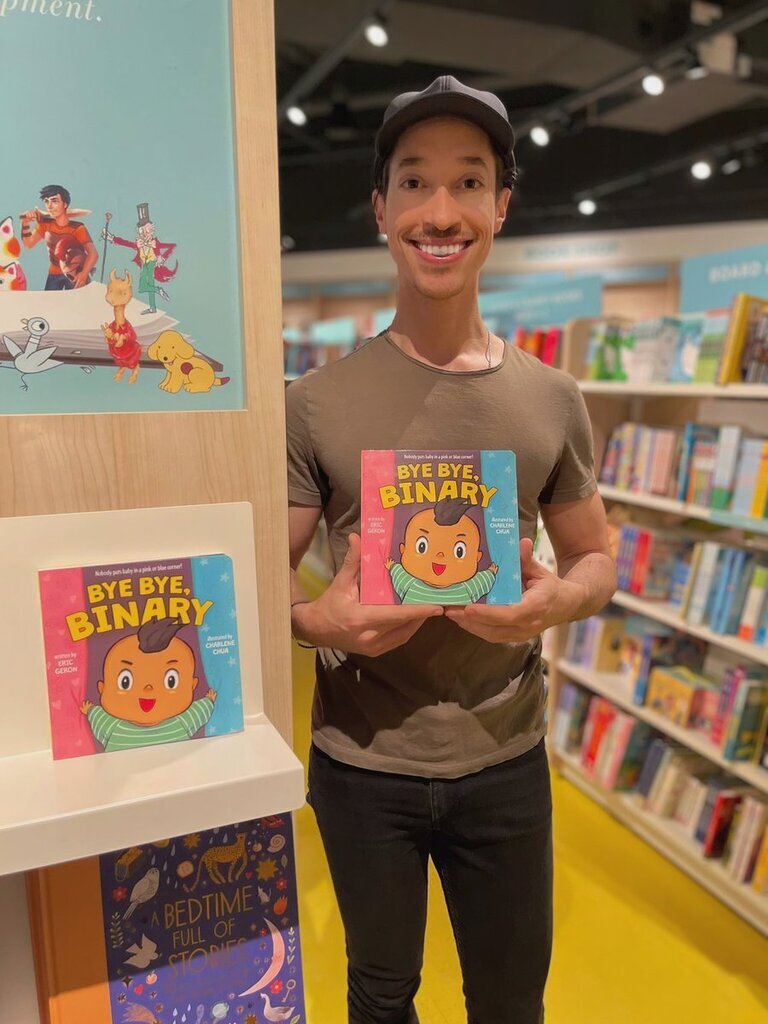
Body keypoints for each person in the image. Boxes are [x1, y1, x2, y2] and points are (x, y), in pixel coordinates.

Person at [286, 75, 616, 1024]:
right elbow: (261, 590)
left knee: (510, 1001)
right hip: (361, 764)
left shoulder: (552, 399)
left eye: (469, 182)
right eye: (415, 182)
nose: (441, 211)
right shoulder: (315, 403)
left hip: (507, 758)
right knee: (381, 994)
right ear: (380, 207)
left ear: (501, 206)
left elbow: (596, 559)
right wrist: (317, 621)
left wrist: (554, 601)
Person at [20, 184, 97, 290]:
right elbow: (28, 244)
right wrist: (25, 224)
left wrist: (84, 274)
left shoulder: (78, 228)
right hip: (54, 275)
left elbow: (93, 254)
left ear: (65, 204)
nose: (49, 206)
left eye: (54, 201)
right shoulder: (45, 225)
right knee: (49, 301)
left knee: (76, 301)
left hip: (74, 273)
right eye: (46, 201)